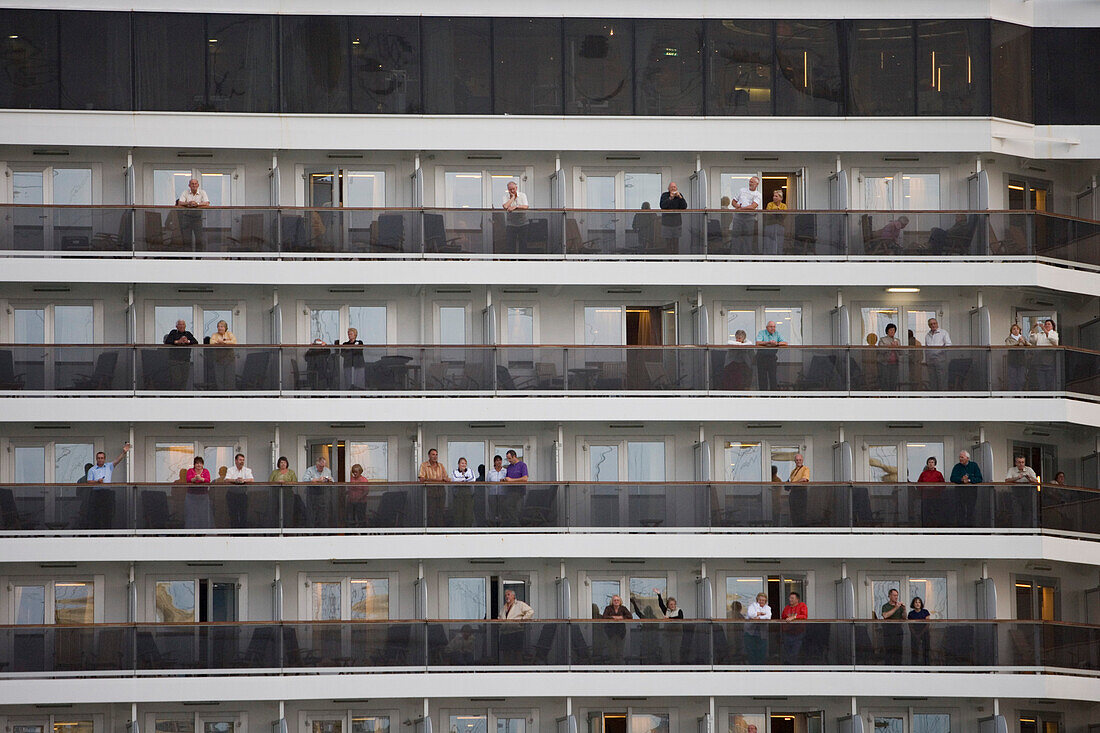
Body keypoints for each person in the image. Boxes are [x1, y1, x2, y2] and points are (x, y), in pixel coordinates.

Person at [85, 443, 130, 529]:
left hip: (107, 493)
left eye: (102, 458)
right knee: (96, 514)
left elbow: (117, 460)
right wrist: (97, 482)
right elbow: (89, 482)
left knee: (108, 513)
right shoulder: (92, 469)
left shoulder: (109, 466)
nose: (100, 460)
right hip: (96, 493)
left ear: (104, 459)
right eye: (98, 458)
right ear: (96, 459)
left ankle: (108, 533)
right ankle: (96, 533)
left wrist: (124, 452)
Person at [950, 450, 983, 527]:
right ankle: (961, 530)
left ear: (967, 458)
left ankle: (970, 530)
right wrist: (961, 480)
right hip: (960, 493)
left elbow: (979, 478)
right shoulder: (957, 466)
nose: (960, 459)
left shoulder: (974, 465)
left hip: (971, 493)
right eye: (959, 457)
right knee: (960, 511)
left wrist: (969, 480)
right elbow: (952, 478)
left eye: (962, 457)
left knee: (971, 511)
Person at [163, 319, 198, 389]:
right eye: (180, 324)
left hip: (186, 360)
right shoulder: (173, 333)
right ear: (176, 326)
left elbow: (195, 342)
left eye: (183, 324)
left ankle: (182, 395)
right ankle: (176, 394)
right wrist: (177, 342)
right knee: (176, 379)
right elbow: (167, 341)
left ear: (185, 326)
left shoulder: (188, 334)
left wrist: (187, 341)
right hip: (174, 360)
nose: (182, 326)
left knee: (184, 379)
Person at [730, 176, 762, 250]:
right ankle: (734, 258)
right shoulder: (742, 190)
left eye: (752, 182)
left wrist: (741, 208)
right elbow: (733, 201)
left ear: (757, 184)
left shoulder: (758, 194)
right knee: (735, 237)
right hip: (738, 217)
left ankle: (747, 258)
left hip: (749, 218)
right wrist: (736, 205)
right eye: (750, 181)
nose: (750, 183)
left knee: (748, 238)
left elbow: (753, 206)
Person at [177, 178, 210, 250]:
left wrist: (197, 204)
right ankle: (188, 258)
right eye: (192, 184)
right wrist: (188, 203)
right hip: (186, 218)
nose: (194, 185)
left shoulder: (202, 192)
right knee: (187, 239)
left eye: (195, 184)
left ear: (198, 185)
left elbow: (207, 203)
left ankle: (199, 258)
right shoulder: (185, 192)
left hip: (197, 218)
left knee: (199, 239)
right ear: (189, 185)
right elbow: (180, 203)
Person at [222, 452, 253, 528]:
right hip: (232, 494)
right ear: (235, 461)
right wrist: (235, 480)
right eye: (240, 460)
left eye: (243, 460)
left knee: (243, 514)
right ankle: (234, 533)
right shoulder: (230, 470)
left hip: (242, 494)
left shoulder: (247, 470)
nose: (242, 462)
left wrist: (243, 480)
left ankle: (243, 535)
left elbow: (252, 480)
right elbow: (226, 480)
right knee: (233, 514)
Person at [303, 455, 334, 527]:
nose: (322, 468)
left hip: (323, 495)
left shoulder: (327, 470)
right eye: (320, 466)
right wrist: (317, 480)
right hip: (312, 494)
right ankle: (311, 532)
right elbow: (305, 479)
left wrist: (329, 480)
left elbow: (333, 480)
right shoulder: (310, 470)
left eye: (323, 466)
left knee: (324, 513)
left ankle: (324, 531)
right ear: (316, 465)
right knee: (311, 513)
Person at [755, 321, 787, 391]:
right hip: (761, 358)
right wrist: (768, 343)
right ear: (767, 328)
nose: (773, 328)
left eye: (774, 327)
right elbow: (758, 343)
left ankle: (774, 395)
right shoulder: (762, 333)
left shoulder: (777, 333)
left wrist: (777, 343)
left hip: (772, 358)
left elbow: (785, 343)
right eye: (771, 327)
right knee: (762, 377)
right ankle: (763, 396)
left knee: (773, 377)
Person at [418, 449, 448, 525]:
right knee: (431, 513)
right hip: (429, 491)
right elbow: (421, 479)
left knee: (441, 512)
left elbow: (446, 478)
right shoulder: (424, 465)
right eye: (433, 454)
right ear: (429, 455)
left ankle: (440, 532)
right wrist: (435, 480)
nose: (435, 456)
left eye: (436, 454)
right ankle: (431, 531)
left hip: (440, 491)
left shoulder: (441, 466)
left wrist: (429, 479)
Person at [1030, 319, 1059, 390]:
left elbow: (1054, 342)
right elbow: (1032, 341)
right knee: (1041, 383)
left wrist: (1045, 330)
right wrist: (1033, 329)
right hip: (1039, 361)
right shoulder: (1040, 334)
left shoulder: (1054, 333)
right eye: (1046, 324)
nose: (1046, 325)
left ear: (1052, 326)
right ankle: (1043, 397)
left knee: (1050, 382)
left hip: (1049, 361)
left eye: (1049, 324)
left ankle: (1051, 397)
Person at [268, 455, 298, 526]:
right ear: (279, 464)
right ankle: (276, 527)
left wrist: (286, 482)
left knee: (288, 511)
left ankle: (287, 527)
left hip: (288, 494)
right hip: (276, 494)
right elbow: (269, 482)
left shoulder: (291, 472)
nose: (283, 464)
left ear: (287, 463)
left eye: (284, 462)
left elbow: (295, 482)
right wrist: (278, 482)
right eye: (281, 462)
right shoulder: (274, 472)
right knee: (276, 510)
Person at [923, 318, 951, 391]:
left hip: (940, 360)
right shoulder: (927, 335)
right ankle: (934, 397)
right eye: (931, 324)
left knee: (942, 379)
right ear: (929, 325)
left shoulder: (943, 332)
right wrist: (926, 360)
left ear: (937, 324)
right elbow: (926, 348)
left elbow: (948, 344)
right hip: (930, 361)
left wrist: (939, 351)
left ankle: (943, 397)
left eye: (934, 323)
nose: (933, 325)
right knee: (932, 380)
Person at [501, 180, 529, 253]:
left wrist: (516, 207)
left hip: (523, 223)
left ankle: (522, 261)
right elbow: (505, 206)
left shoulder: (523, 195)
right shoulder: (505, 196)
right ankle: (512, 261)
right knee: (511, 244)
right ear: (508, 190)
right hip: (511, 224)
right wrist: (513, 198)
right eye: (510, 189)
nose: (512, 190)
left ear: (516, 188)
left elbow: (526, 206)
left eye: (513, 189)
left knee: (523, 243)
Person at [185, 456, 213, 529]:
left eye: (200, 463)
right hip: (191, 496)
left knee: (203, 513)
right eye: (197, 463)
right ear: (194, 464)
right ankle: (191, 530)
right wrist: (194, 479)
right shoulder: (190, 470)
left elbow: (208, 480)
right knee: (192, 513)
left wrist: (201, 479)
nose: (199, 465)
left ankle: (203, 531)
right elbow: (188, 479)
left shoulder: (206, 471)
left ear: (203, 464)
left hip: (203, 496)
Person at [780, 591, 808, 663]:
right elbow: (782, 618)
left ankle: (793, 671)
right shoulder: (787, 608)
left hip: (798, 634)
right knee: (786, 653)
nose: (790, 599)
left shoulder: (802, 605)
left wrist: (794, 617)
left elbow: (804, 616)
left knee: (795, 653)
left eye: (792, 598)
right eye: (790, 598)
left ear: (797, 599)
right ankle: (787, 670)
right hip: (787, 634)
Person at [209, 319, 237, 390]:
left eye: (222, 326)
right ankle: (221, 395)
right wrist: (223, 342)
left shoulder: (229, 334)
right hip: (218, 360)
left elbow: (234, 342)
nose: (220, 328)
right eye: (218, 326)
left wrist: (224, 342)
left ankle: (229, 396)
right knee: (219, 378)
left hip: (229, 360)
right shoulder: (214, 335)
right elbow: (211, 342)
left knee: (229, 378)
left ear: (225, 328)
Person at [744, 591, 772, 663]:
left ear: (765, 601)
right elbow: (751, 614)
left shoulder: (767, 608)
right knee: (751, 652)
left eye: (763, 600)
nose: (761, 602)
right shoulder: (752, 606)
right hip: (751, 634)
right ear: (757, 600)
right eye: (760, 600)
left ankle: (761, 670)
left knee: (762, 652)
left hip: (762, 634)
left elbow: (768, 616)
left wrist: (759, 617)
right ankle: (753, 669)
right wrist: (760, 613)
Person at [880, 588, 907, 660]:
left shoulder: (899, 606)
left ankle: (898, 669)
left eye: (897, 595)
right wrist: (896, 608)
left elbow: (904, 618)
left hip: (898, 631)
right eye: (894, 595)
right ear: (889, 596)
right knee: (888, 650)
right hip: (888, 631)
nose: (896, 597)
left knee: (898, 650)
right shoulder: (885, 606)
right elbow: (885, 615)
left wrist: (904, 609)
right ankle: (888, 669)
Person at [659, 182, 687, 250]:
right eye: (671, 187)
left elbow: (684, 207)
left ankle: (675, 259)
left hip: (677, 224)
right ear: (668, 189)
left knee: (676, 243)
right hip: (666, 224)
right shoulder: (664, 195)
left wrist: (680, 197)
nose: (673, 188)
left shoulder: (679, 196)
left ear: (676, 188)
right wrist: (670, 198)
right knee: (667, 243)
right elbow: (662, 206)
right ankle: (668, 259)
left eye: (674, 187)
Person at [450, 457, 475, 527]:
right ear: (458, 464)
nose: (463, 465)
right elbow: (454, 479)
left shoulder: (470, 471)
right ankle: (458, 530)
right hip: (458, 495)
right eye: (462, 463)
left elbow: (473, 479)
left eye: (465, 463)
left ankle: (468, 530)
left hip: (468, 494)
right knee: (458, 513)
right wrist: (466, 478)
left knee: (468, 513)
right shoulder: (455, 471)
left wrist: (462, 480)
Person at [1004, 324, 1029, 390]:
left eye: (1017, 329)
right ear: (1011, 331)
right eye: (1014, 329)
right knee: (1012, 379)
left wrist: (1025, 342)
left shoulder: (1022, 338)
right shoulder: (1008, 339)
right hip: (1012, 361)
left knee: (1021, 379)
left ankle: (1020, 393)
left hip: (1022, 361)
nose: (1016, 330)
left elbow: (1030, 345)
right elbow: (1008, 346)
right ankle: (1013, 394)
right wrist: (1018, 343)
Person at [787, 454, 810, 526]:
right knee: (793, 512)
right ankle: (795, 528)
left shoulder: (805, 469)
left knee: (801, 512)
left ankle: (801, 530)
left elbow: (804, 479)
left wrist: (793, 483)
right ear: (795, 461)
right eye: (797, 460)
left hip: (801, 493)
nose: (798, 461)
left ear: (802, 460)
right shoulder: (793, 471)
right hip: (793, 493)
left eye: (800, 460)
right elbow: (790, 481)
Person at [762, 188, 788, 254]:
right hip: (770, 225)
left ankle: (778, 258)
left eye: (776, 196)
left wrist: (777, 211)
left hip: (780, 226)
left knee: (779, 242)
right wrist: (777, 210)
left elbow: (784, 216)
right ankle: (768, 258)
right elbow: (769, 214)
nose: (774, 197)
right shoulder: (770, 204)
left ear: (780, 198)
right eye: (774, 196)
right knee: (768, 242)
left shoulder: (784, 206)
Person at [907, 596, 931, 664]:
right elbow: (910, 625)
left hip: (925, 633)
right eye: (916, 602)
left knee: (926, 651)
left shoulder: (925, 612)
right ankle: (915, 669)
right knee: (915, 651)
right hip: (915, 634)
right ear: (913, 604)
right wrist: (915, 634)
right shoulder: (911, 614)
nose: (917, 604)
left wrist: (921, 633)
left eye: (919, 602)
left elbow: (928, 623)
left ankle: (927, 668)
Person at [878, 323, 902, 391]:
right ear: (887, 331)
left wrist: (897, 347)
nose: (892, 332)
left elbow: (901, 352)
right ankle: (886, 394)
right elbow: (881, 350)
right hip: (885, 364)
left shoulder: (897, 340)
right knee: (885, 379)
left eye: (894, 330)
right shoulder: (883, 339)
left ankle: (893, 394)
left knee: (894, 380)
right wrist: (890, 346)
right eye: (891, 330)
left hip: (895, 363)